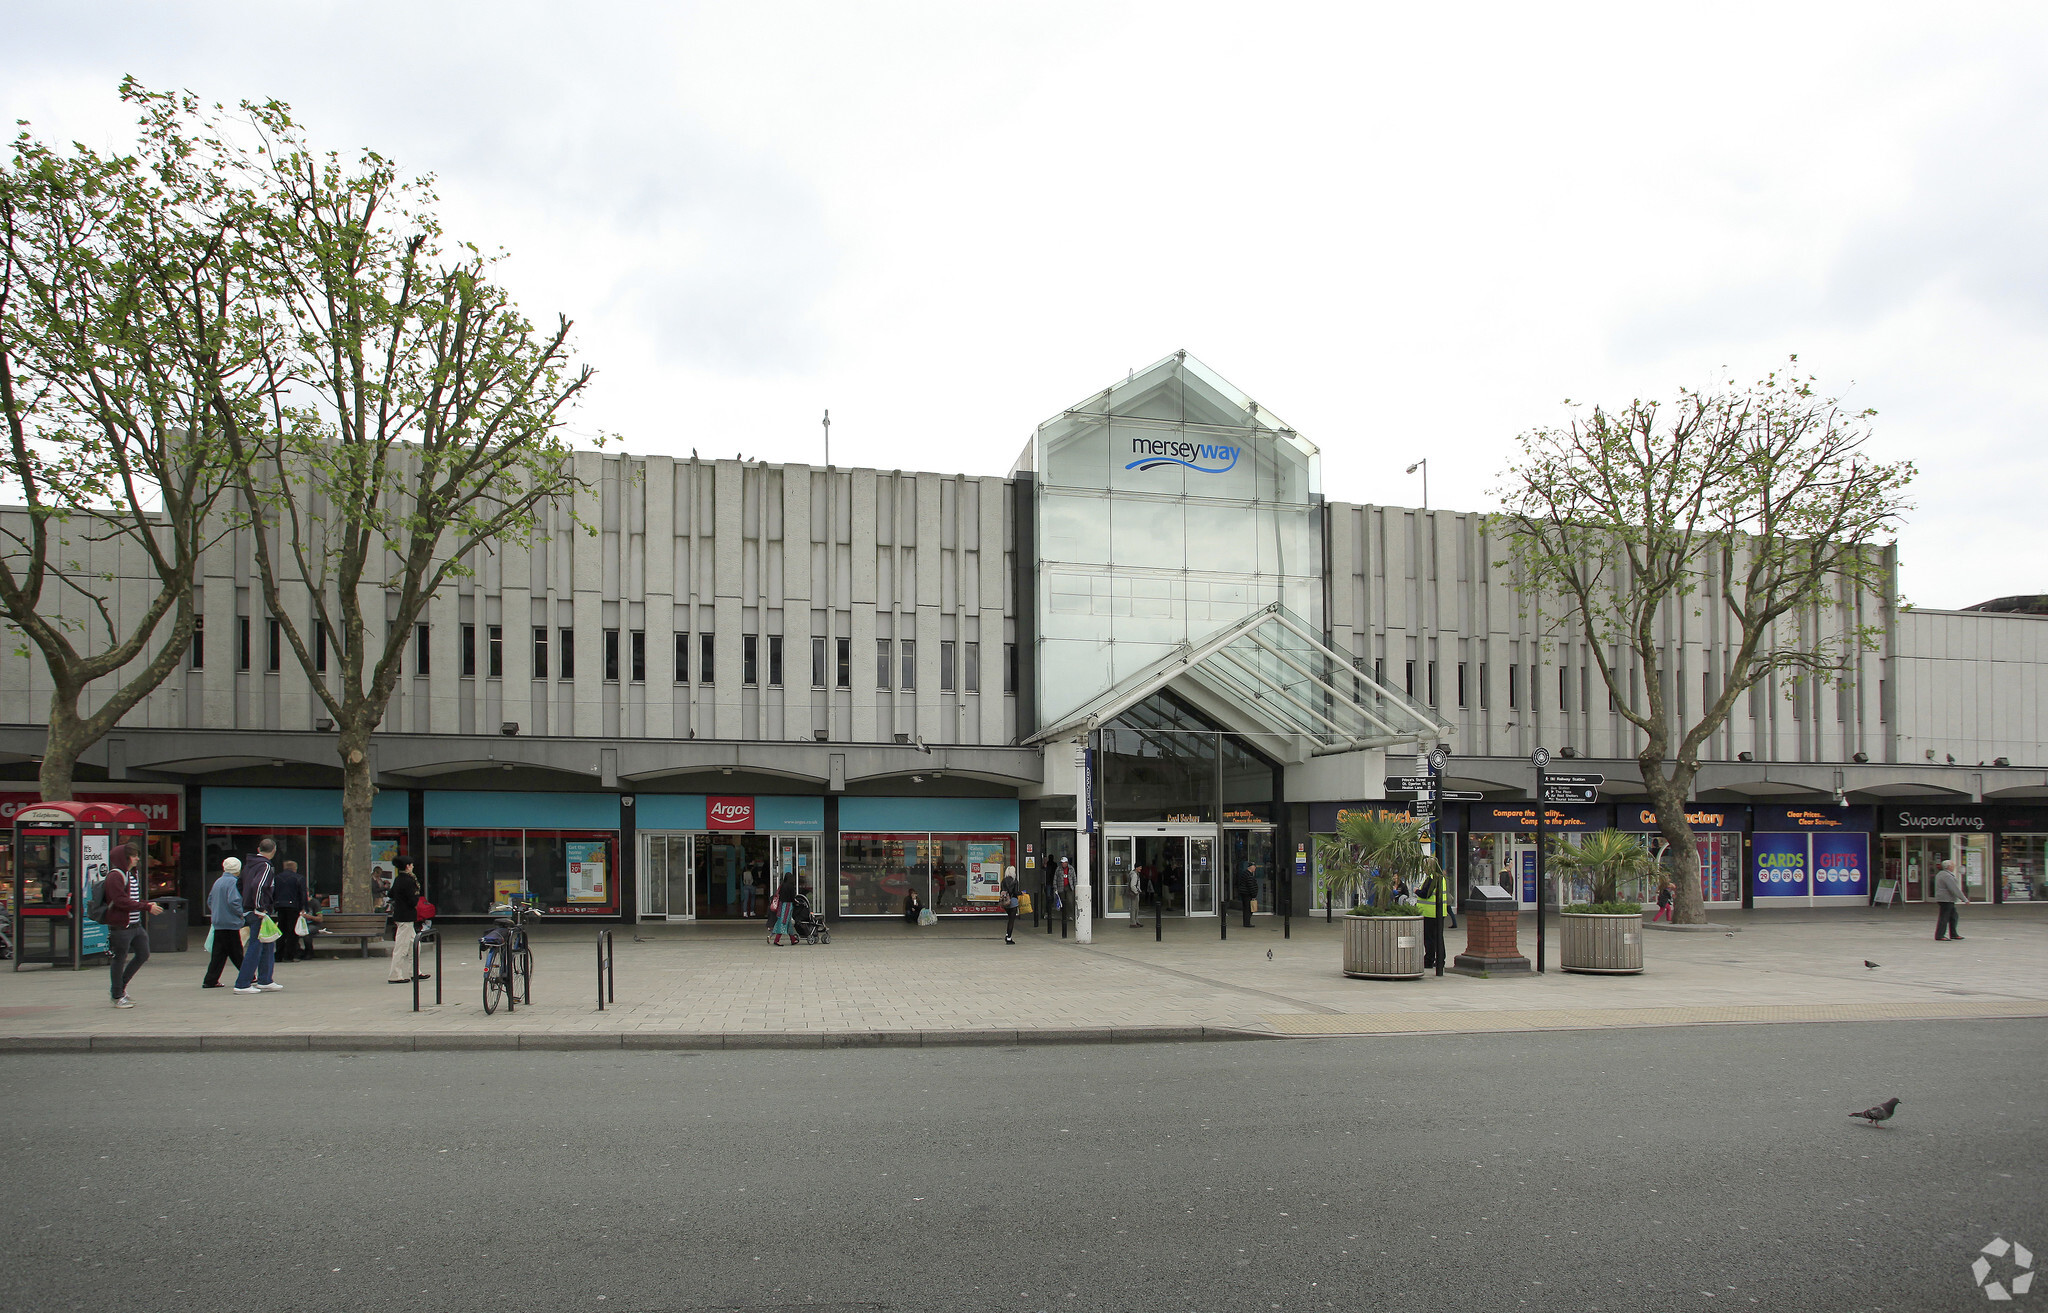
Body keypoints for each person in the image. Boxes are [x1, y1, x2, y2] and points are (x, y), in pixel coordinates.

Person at [103, 842, 161, 1008]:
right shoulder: (115, 876)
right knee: (119, 959)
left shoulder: (130, 875)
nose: (137, 859)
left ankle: (120, 988)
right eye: (133, 855)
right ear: (125, 858)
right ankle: (117, 994)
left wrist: (146, 904)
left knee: (143, 954)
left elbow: (132, 900)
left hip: (135, 924)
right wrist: (146, 906)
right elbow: (120, 901)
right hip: (121, 926)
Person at [233, 838, 283, 994]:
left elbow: (239, 884)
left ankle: (265, 979)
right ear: (274, 850)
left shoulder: (249, 865)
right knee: (255, 946)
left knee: (268, 942)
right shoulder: (266, 866)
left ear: (258, 848)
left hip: (249, 908)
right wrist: (260, 907)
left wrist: (246, 900)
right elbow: (259, 885)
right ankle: (243, 983)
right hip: (258, 911)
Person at [201, 857, 246, 988]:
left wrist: (217, 911)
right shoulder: (233, 882)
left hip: (218, 922)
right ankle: (248, 975)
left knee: (219, 953)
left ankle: (211, 979)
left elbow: (210, 900)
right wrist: (241, 914)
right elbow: (234, 901)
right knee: (236, 951)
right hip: (230, 922)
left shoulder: (218, 882)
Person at [386, 857, 427, 982]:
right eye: (411, 864)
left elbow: (391, 894)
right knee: (401, 947)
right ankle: (395, 974)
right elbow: (412, 899)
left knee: (415, 945)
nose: (413, 866)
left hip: (401, 915)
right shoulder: (409, 881)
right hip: (406, 917)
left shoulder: (399, 879)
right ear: (408, 866)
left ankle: (415, 971)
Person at [272, 859, 309, 962]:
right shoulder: (299, 878)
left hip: (280, 906)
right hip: (293, 907)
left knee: (281, 931)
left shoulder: (277, 878)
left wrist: (273, 905)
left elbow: (272, 892)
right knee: (292, 932)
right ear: (295, 868)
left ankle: (278, 955)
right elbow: (303, 894)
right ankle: (289, 955)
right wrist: (304, 907)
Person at [1415, 866, 1446, 970]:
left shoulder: (1432, 878)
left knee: (1429, 939)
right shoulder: (1441, 878)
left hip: (1430, 913)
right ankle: (1440, 960)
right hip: (1440, 912)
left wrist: (1416, 891)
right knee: (1438, 937)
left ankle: (1429, 960)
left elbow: (1425, 894)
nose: (1424, 869)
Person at [1933, 857, 1967, 941]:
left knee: (1953, 916)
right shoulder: (1947, 876)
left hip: (1944, 898)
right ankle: (1940, 935)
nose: (1954, 867)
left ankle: (1953, 934)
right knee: (1944, 917)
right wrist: (1964, 899)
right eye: (1953, 865)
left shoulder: (1941, 874)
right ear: (1948, 867)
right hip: (1946, 899)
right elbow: (1954, 888)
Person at [769, 872, 797, 945]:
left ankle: (793, 939)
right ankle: (777, 940)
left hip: (781, 905)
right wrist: (795, 903)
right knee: (784, 922)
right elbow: (792, 897)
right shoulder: (791, 886)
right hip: (788, 905)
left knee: (788, 923)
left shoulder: (782, 886)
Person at [1000, 864, 1021, 944]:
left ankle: (1007, 935)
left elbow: (1001, 890)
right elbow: (1015, 892)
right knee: (1011, 920)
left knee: (1009, 918)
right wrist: (1021, 893)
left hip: (1005, 901)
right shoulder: (1014, 881)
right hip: (1013, 901)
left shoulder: (1003, 880)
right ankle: (1008, 937)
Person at [1235, 861, 1259, 927]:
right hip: (1247, 894)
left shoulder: (1245, 874)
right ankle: (1247, 923)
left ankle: (1246, 922)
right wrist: (1254, 895)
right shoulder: (1248, 875)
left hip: (1245, 893)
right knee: (1248, 909)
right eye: (1254, 867)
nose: (1255, 868)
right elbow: (1251, 886)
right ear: (1251, 867)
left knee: (1247, 908)